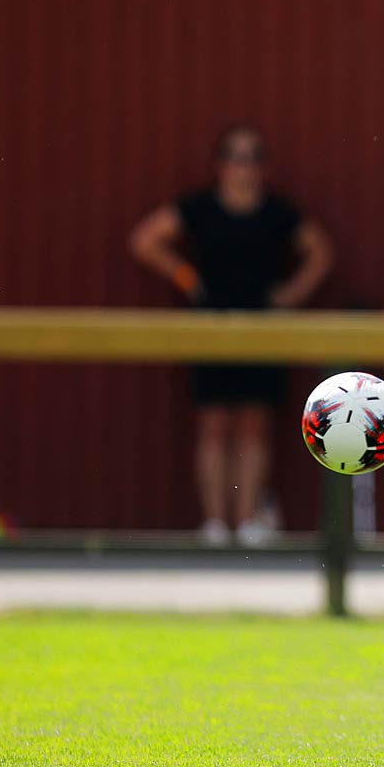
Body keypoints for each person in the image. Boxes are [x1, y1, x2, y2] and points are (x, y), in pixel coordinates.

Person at [128, 124, 333, 546]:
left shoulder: (278, 212)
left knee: (254, 425)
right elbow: (145, 239)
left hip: (261, 326)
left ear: (263, 167)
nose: (244, 167)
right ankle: (216, 524)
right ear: (220, 165)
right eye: (236, 157)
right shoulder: (200, 208)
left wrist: (290, 294)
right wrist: (185, 276)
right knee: (214, 424)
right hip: (212, 325)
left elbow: (321, 252)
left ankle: (248, 521)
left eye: (253, 157)